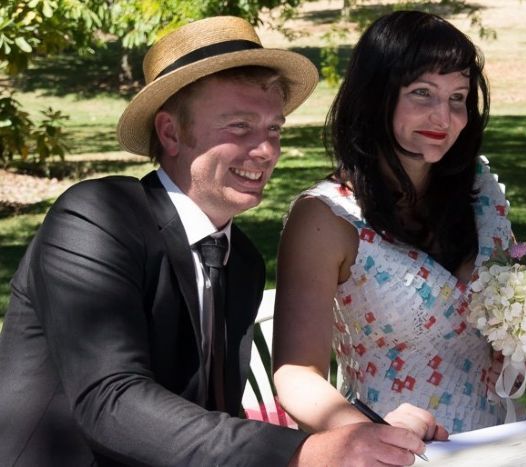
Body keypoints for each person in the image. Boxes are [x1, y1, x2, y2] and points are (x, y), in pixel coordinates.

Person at [0, 16, 431, 466]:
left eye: (274, 129)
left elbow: (214, 414)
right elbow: (111, 402)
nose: (266, 151)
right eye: (240, 127)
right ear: (170, 132)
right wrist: (300, 453)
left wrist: (373, 436)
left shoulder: (239, 259)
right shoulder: (96, 217)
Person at [273, 10, 513, 437]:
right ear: (376, 95)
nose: (444, 117)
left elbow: (508, 313)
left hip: (501, 440)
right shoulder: (326, 218)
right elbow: (295, 374)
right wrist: (370, 431)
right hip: (392, 447)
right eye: (423, 93)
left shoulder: (481, 193)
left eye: (458, 97)